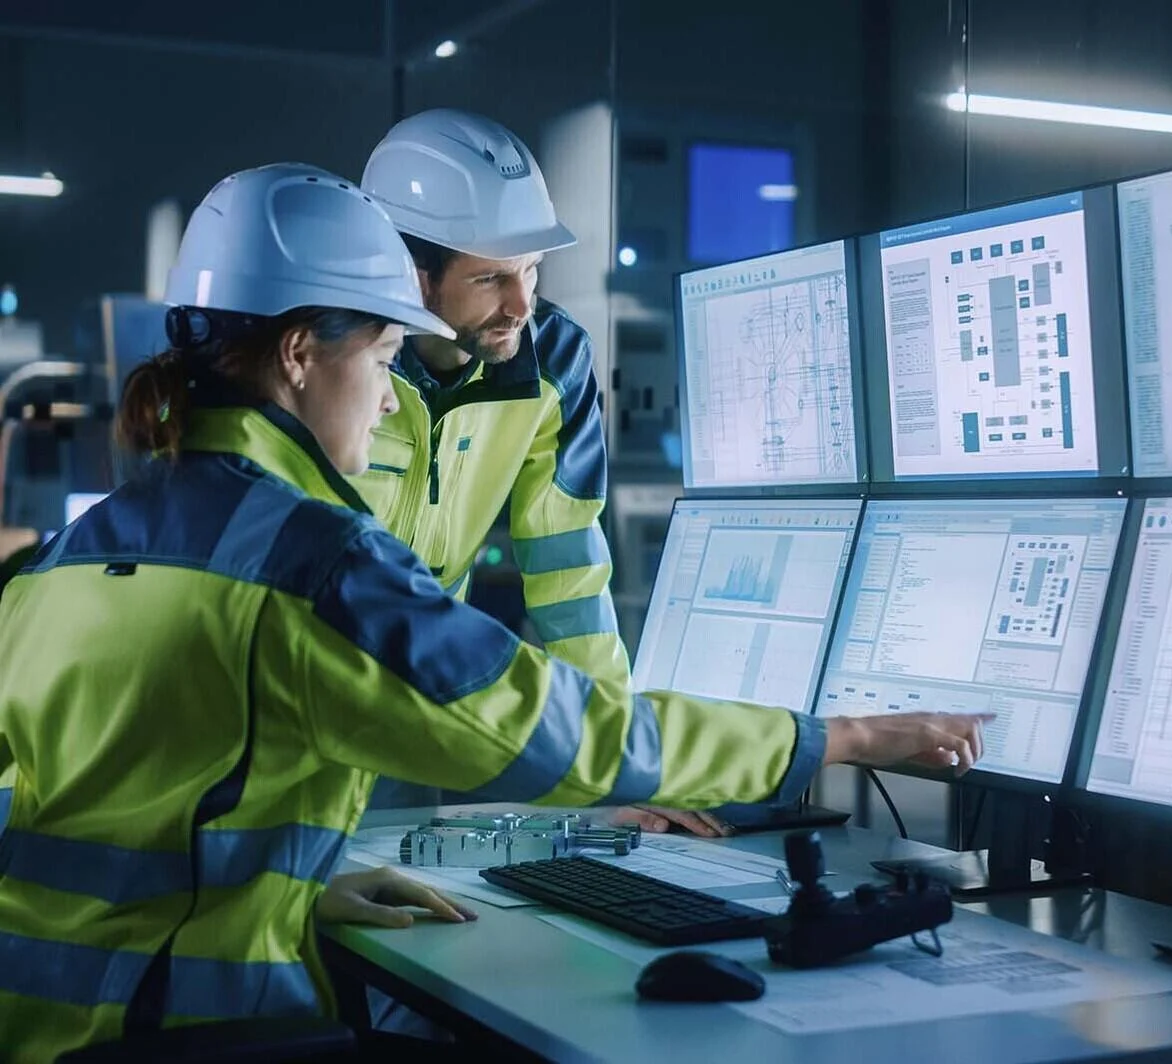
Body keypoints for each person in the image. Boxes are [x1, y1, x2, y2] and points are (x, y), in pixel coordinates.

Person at [0, 161, 989, 1061]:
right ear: (301, 353)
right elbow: (562, 731)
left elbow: (83, 810)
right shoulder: (309, 566)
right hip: (184, 1028)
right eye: (385, 357)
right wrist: (842, 734)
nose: (389, 400)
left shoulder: (71, 556)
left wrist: (293, 887)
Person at [354, 110, 747, 835]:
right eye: (493, 278)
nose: (522, 304)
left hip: (412, 712)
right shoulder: (338, 363)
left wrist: (621, 763)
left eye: (532, 269)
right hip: (301, 697)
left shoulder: (554, 360)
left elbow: (569, 574)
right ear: (412, 274)